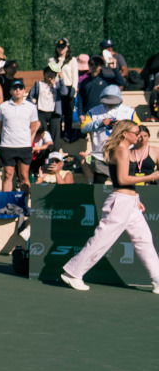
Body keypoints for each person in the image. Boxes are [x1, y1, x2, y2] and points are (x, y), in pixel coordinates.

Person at [59, 120, 159, 293]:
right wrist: (151, 177)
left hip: (130, 202)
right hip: (121, 202)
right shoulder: (121, 150)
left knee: (144, 240)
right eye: (135, 132)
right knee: (102, 240)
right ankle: (73, 272)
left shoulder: (123, 149)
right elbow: (122, 180)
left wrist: (135, 198)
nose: (138, 136)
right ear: (125, 133)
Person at [81, 85, 139, 183]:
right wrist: (100, 123)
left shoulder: (129, 112)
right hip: (100, 156)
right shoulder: (92, 112)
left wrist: (123, 125)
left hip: (124, 154)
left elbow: (139, 129)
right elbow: (83, 128)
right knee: (99, 187)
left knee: (124, 183)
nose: (110, 104)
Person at [0, 80, 39, 192]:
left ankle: (24, 204)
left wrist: (25, 139)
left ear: (24, 90)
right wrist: (7, 138)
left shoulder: (31, 107)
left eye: (20, 88)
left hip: (24, 146)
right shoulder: (3, 106)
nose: (17, 90)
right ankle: (5, 205)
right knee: (7, 175)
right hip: (7, 146)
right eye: (15, 88)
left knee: (24, 176)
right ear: (10, 91)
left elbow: (33, 127)